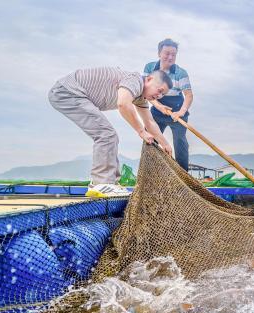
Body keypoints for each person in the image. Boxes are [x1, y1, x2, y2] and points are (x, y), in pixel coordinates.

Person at [48, 67, 173, 197]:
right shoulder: (135, 80)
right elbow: (123, 104)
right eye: (160, 90)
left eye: (162, 95)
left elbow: (150, 122)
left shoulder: (139, 98)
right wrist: (141, 131)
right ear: (149, 79)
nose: (159, 96)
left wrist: (165, 144)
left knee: (109, 135)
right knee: (107, 135)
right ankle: (102, 183)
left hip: (73, 93)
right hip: (68, 91)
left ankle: (109, 183)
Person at [144, 38, 193, 171]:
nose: (170, 57)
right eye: (167, 53)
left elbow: (188, 95)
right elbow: (146, 91)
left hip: (177, 111)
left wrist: (181, 113)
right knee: (149, 138)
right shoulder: (149, 67)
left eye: (173, 54)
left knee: (180, 142)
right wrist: (159, 106)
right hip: (157, 108)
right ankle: (150, 172)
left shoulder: (181, 73)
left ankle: (183, 175)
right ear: (159, 53)